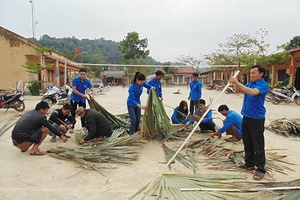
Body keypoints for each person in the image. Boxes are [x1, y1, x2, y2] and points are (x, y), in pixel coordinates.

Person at [229, 65, 269, 181]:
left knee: (258, 144)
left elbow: (252, 93)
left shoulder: (263, 85)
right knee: (247, 142)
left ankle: (261, 169)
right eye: (250, 73)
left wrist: (237, 82)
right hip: (246, 117)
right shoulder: (250, 84)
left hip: (256, 119)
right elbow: (237, 91)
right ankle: (249, 163)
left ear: (261, 74)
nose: (251, 75)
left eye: (253, 73)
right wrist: (237, 83)